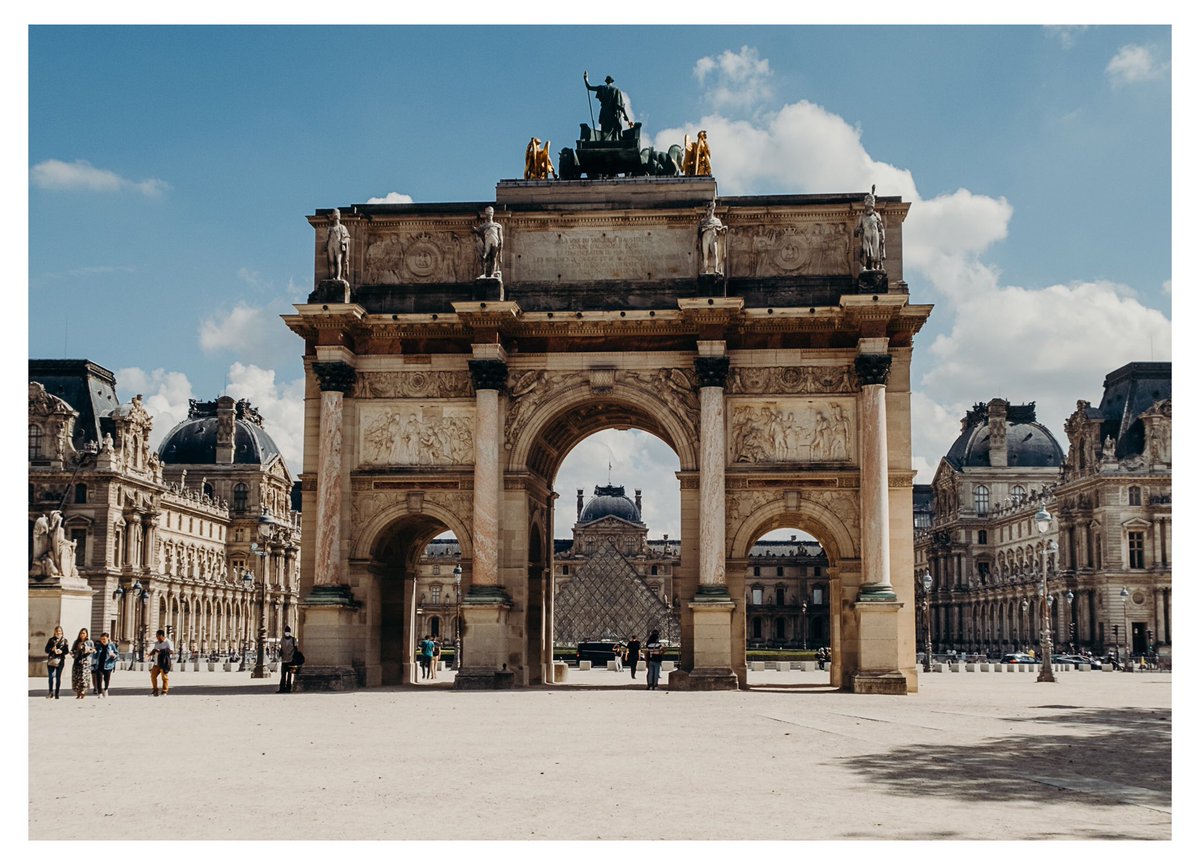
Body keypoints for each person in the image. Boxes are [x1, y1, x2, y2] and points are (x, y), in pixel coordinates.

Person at [583, 71, 632, 140]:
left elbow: (589, 87)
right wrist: (626, 116)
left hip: (604, 113)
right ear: (612, 81)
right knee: (614, 132)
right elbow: (619, 106)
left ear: (606, 81)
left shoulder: (601, 88)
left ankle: (603, 141)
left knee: (604, 130)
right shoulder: (616, 89)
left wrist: (585, 79)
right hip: (613, 114)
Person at [854, 187, 886, 272]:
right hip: (866, 234)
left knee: (875, 250)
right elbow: (856, 229)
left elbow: (881, 226)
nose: (870, 207)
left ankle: (873, 267)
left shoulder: (876, 215)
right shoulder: (862, 216)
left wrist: (883, 236)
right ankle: (864, 266)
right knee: (865, 250)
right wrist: (858, 230)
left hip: (875, 233)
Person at [698, 199, 727, 275]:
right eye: (709, 209)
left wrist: (723, 229)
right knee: (705, 255)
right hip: (705, 237)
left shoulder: (717, 220)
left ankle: (716, 269)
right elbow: (700, 230)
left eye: (712, 209)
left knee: (715, 253)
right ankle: (705, 269)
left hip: (713, 237)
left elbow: (720, 230)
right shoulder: (703, 221)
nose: (710, 211)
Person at [474, 207, 503, 279]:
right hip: (487, 242)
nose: (489, 215)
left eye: (491, 213)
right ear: (486, 215)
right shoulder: (483, 226)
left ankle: (492, 274)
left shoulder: (498, 225)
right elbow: (479, 234)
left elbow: (500, 237)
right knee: (484, 257)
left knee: (493, 257)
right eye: (488, 213)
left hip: (495, 241)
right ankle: (483, 273)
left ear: (492, 214)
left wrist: (501, 249)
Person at [325, 208, 351, 281]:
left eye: (337, 213)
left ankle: (338, 276)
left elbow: (347, 237)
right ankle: (332, 276)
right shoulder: (330, 228)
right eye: (334, 213)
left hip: (338, 244)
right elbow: (327, 238)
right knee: (331, 261)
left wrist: (344, 241)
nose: (336, 215)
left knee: (338, 261)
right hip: (331, 244)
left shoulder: (342, 227)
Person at [92, 632, 119, 698]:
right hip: (99, 665)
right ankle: (100, 692)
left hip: (108, 665)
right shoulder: (98, 646)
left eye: (104, 639)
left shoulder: (111, 646)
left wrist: (114, 655)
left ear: (108, 639)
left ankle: (106, 689)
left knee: (107, 679)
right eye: (101, 639)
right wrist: (94, 652)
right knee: (99, 679)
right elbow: (95, 656)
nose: (103, 641)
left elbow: (117, 655)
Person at [70, 628, 95, 700]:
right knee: (77, 677)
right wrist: (72, 653)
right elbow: (72, 650)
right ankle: (78, 692)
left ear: (87, 634)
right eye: (81, 633)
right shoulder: (76, 642)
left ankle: (83, 691)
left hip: (85, 662)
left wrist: (89, 650)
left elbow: (93, 650)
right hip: (77, 661)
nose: (82, 635)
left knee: (84, 677)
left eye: (84, 633)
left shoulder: (90, 642)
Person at [45, 625, 68, 699]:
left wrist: (61, 651)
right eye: (57, 631)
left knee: (58, 677)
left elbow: (67, 651)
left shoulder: (65, 641)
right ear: (55, 632)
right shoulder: (51, 640)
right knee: (51, 677)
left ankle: (57, 693)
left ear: (62, 632)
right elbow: (46, 650)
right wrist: (52, 649)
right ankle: (50, 692)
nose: (58, 632)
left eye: (60, 631)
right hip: (51, 660)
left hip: (60, 661)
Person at [149, 629, 174, 696]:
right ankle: (155, 690)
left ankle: (164, 691)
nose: (157, 637)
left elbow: (171, 651)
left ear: (161, 635)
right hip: (156, 662)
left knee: (164, 677)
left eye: (157, 636)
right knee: (153, 676)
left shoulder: (168, 642)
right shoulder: (157, 643)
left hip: (164, 662)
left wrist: (161, 651)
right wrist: (150, 654)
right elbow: (155, 650)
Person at [278, 626, 298, 693]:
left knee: (290, 675)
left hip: (291, 660)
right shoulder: (282, 639)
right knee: (283, 675)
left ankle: (288, 689)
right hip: (284, 660)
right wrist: (280, 654)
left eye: (288, 631)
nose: (287, 633)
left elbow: (296, 649)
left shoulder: (293, 640)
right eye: (286, 631)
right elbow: (281, 648)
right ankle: (282, 688)